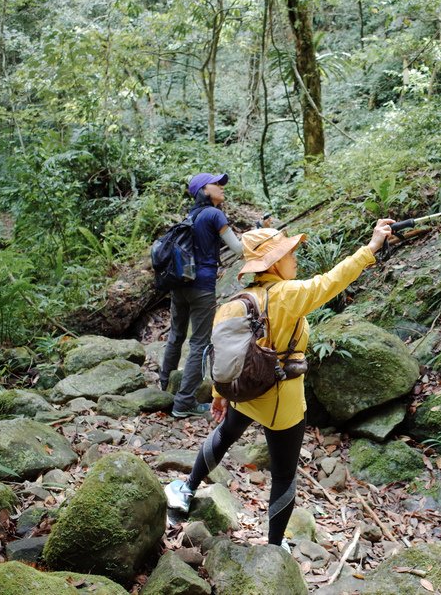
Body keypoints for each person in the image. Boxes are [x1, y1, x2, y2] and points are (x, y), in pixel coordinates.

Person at [164, 217, 395, 549]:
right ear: (273, 262)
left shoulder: (238, 299)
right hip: (281, 402)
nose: (295, 258)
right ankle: (274, 547)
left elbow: (224, 353)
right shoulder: (287, 295)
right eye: (289, 253)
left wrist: (220, 393)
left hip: (245, 392)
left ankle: (186, 489)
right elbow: (333, 281)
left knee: (225, 434)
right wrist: (371, 246)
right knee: (284, 475)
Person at [160, 172, 243, 418]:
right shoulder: (215, 214)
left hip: (180, 285)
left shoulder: (191, 216)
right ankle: (184, 403)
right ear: (204, 191)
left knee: (176, 335)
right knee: (199, 342)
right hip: (203, 287)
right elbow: (238, 249)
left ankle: (165, 386)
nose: (221, 187)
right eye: (216, 184)